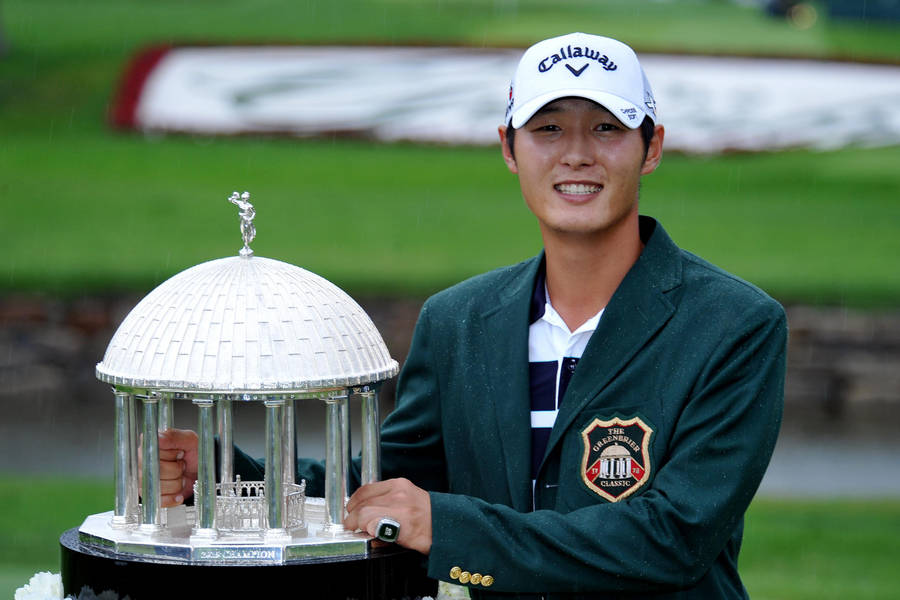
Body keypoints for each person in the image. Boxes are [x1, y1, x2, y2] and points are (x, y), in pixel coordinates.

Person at [159, 32, 786, 598]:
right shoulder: (457, 323)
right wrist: (223, 476)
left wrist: (450, 528)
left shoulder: (733, 326)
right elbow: (379, 487)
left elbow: (673, 537)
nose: (575, 155)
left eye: (606, 129)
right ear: (508, 148)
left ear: (651, 148)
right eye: (547, 129)